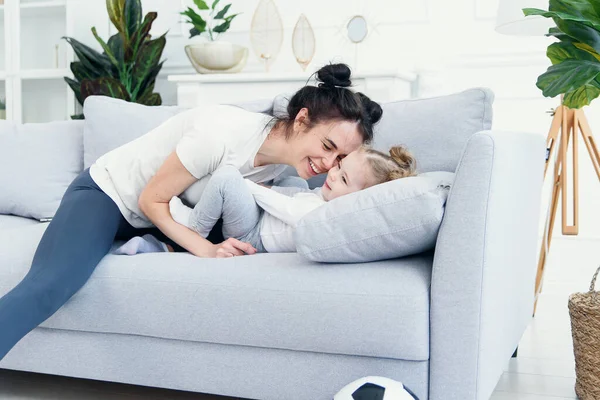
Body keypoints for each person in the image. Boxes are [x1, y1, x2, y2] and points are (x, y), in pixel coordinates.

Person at [0, 63, 383, 360]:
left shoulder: (283, 161)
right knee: (50, 285)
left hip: (158, 220)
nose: (328, 164)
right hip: (110, 196)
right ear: (301, 120)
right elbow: (152, 199)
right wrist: (203, 249)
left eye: (340, 158)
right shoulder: (220, 134)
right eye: (328, 145)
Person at [117, 145, 416, 255]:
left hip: (253, 234)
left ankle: (192, 230)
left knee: (227, 179)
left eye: (345, 179)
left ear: (358, 200)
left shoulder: (323, 216)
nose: (333, 174)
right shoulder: (326, 200)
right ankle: (166, 243)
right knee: (295, 180)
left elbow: (290, 208)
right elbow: (294, 195)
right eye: (339, 165)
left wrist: (251, 187)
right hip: (264, 221)